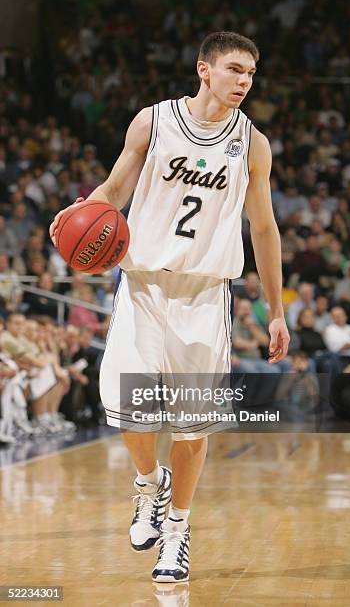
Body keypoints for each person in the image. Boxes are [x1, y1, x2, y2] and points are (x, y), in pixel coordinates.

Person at [50, 32, 290, 583]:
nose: (244, 82)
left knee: (190, 427)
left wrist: (276, 310)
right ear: (203, 69)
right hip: (142, 285)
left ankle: (177, 534)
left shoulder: (253, 144)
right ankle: (147, 483)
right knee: (126, 404)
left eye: (251, 74)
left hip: (205, 295)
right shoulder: (153, 122)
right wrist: (74, 215)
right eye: (234, 70)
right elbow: (113, 189)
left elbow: (264, 226)